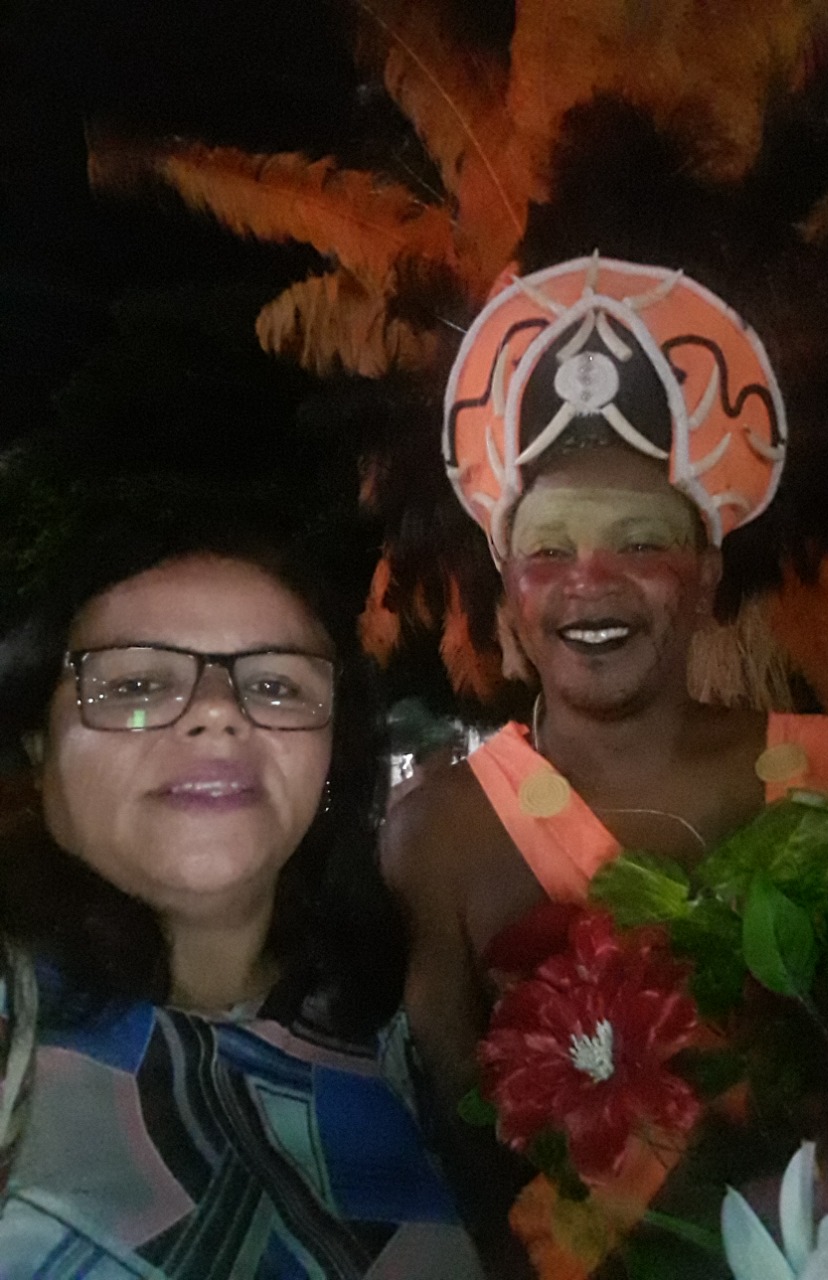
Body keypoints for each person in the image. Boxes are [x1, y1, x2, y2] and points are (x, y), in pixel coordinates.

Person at [382, 255, 828, 1263]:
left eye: (641, 542)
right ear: (510, 585)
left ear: (705, 577)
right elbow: (467, 1160)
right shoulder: (441, 833)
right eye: (549, 550)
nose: (590, 581)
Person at [0, 469, 484, 1280]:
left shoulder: (409, 1038)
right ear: (40, 749)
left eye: (275, 685)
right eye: (137, 683)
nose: (219, 712)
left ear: (331, 755)